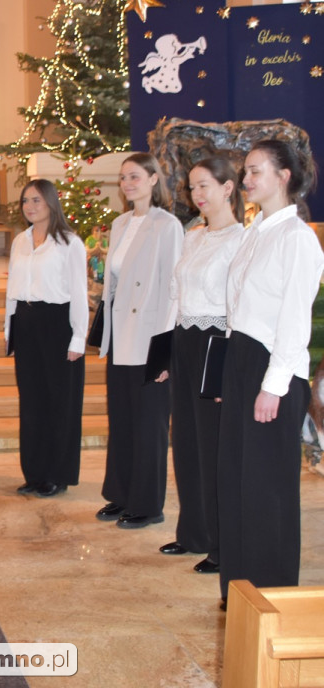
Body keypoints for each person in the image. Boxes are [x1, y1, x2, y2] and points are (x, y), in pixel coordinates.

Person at [218, 139, 324, 609]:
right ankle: (240, 590)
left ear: (284, 177)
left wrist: (273, 386)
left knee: (267, 488)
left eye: (255, 171)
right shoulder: (255, 231)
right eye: (245, 171)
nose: (246, 180)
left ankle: (272, 594)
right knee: (237, 481)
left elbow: (294, 321)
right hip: (242, 363)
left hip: (272, 371)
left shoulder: (296, 237)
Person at [159, 155, 244, 571]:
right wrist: (164, 353)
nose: (196, 194)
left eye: (204, 185)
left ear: (228, 188)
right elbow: (176, 297)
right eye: (192, 187)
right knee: (187, 443)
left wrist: (229, 366)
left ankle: (220, 543)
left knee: (213, 447)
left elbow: (238, 305)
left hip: (217, 343)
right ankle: (192, 533)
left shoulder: (242, 240)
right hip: (184, 341)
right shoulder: (192, 237)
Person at [96, 152, 184, 528]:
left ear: (152, 179)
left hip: (149, 338)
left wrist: (163, 353)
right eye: (123, 178)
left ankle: (148, 505)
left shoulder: (168, 225)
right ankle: (121, 495)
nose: (127, 184)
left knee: (149, 426)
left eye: (134, 176)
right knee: (122, 420)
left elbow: (173, 290)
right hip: (120, 336)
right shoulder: (119, 223)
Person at [5, 179, 88, 498]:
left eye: (36, 200)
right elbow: (12, 289)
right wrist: (9, 329)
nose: (30, 206)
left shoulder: (69, 242)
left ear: (52, 203)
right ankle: (34, 472)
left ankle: (57, 474)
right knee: (32, 402)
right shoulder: (20, 241)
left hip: (57, 324)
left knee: (60, 402)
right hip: (26, 323)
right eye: (25, 201)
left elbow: (79, 292)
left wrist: (78, 337)